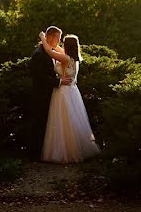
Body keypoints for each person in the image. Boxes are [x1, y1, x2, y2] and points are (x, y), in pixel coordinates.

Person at [38, 31, 101, 164]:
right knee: (71, 122)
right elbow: (57, 49)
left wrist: (43, 38)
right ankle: (76, 149)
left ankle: (67, 153)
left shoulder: (65, 59)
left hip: (64, 93)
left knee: (63, 122)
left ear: (67, 46)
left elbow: (50, 51)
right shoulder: (74, 58)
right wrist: (55, 43)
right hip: (73, 91)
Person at [28, 26, 71, 159]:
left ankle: (45, 153)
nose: (59, 41)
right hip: (41, 95)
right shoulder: (38, 54)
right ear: (50, 37)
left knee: (47, 125)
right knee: (39, 124)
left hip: (51, 94)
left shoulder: (50, 51)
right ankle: (35, 155)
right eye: (57, 38)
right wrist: (58, 82)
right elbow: (39, 76)